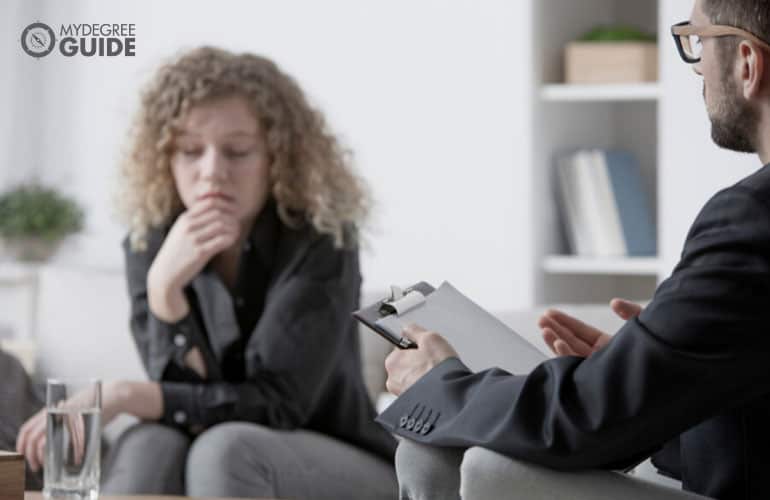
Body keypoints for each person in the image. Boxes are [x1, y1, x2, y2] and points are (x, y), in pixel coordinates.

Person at [378, 1, 770, 499]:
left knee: (486, 466)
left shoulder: (752, 222)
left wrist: (441, 383)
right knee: (435, 451)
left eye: (696, 42)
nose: (695, 69)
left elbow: (580, 421)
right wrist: (652, 379)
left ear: (747, 63)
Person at [15, 46, 397, 499]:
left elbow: (277, 406)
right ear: (165, 160)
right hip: (216, 443)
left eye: (237, 151)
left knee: (226, 448)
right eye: (190, 151)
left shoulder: (321, 239)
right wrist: (165, 292)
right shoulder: (150, 243)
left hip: (340, 457)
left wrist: (123, 393)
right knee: (148, 444)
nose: (212, 172)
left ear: (277, 157)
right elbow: (185, 404)